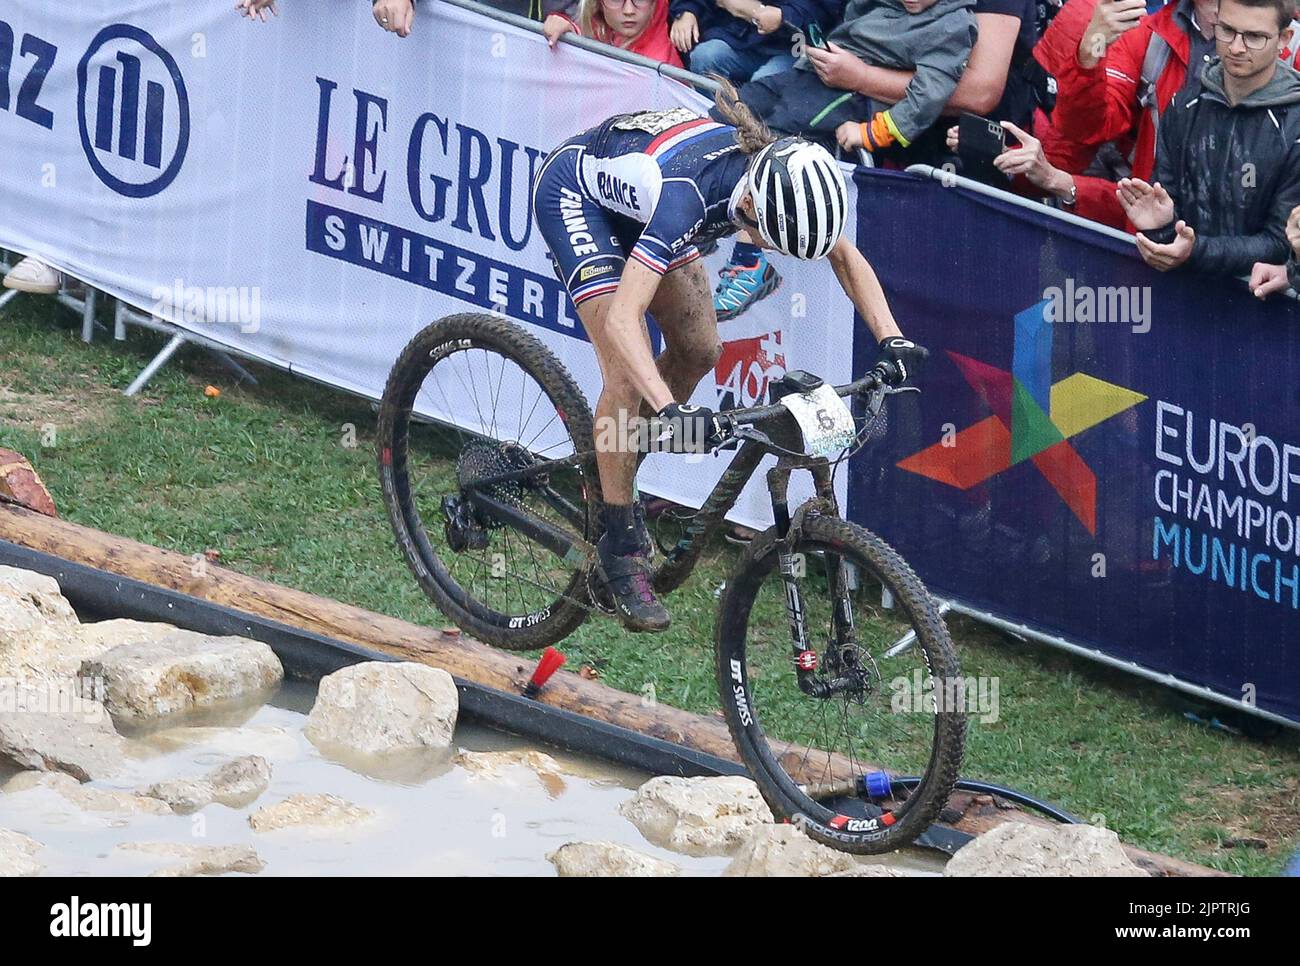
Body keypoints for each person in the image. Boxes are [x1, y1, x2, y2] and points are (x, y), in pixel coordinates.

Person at [531, 86, 928, 631]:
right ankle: (619, 545)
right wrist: (669, 409)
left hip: (641, 199)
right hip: (577, 197)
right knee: (627, 378)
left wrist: (893, 340)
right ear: (749, 211)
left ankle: (613, 463)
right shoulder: (686, 202)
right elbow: (624, 320)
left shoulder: (786, 181)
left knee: (701, 350)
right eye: (777, 245)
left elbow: (845, 255)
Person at [1118, 0, 1300, 274]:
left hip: (1263, 304)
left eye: (1254, 37)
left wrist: (1194, 249)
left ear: (1284, 39)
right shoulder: (1185, 103)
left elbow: (1281, 242)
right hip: (1182, 291)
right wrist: (1162, 227)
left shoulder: (1295, 125)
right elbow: (1169, 205)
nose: (1237, 47)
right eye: (1226, 30)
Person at [544, 0, 685, 64]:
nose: (629, 10)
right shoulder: (599, 30)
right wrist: (568, 31)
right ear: (598, 4)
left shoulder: (665, 64)